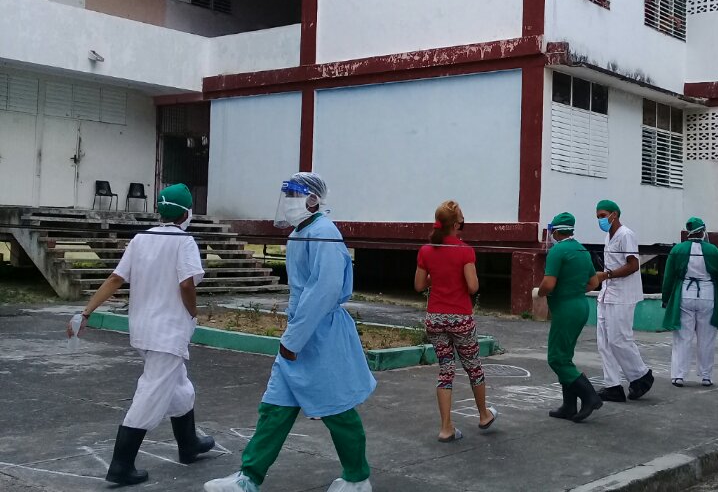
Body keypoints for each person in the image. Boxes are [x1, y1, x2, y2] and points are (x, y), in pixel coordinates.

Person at [205, 173, 375, 492]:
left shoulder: (324, 233)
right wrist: (293, 337)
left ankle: (357, 477)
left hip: (320, 336)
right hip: (300, 331)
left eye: (294, 196)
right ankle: (248, 478)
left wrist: (293, 339)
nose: (289, 204)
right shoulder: (302, 232)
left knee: (337, 410)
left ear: (313, 200)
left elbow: (323, 291)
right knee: (274, 409)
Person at [67, 183, 214, 485]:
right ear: (187, 212)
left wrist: (86, 311)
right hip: (168, 332)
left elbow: (116, 277)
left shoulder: (141, 239)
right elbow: (187, 284)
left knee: (180, 386)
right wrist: (192, 313)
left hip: (144, 329)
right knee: (151, 393)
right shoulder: (184, 242)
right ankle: (121, 465)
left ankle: (189, 444)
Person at [413, 200, 496, 442]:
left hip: (435, 318)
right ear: (458, 223)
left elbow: (419, 285)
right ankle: (483, 414)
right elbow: (472, 287)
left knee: (446, 370)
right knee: (473, 367)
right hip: (460, 318)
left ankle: (446, 427)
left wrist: (435, 278)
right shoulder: (464, 250)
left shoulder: (426, 251)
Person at [536, 212, 604, 422]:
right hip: (581, 306)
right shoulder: (582, 250)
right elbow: (593, 283)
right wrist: (573, 289)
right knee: (565, 356)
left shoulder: (558, 251)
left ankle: (589, 396)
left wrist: (539, 293)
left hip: (566, 309)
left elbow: (548, 284)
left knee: (556, 358)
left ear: (556, 230)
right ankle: (568, 406)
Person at [594, 199, 654, 402]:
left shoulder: (626, 235)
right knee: (604, 342)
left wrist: (606, 275)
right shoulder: (607, 237)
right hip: (607, 294)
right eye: (598, 217)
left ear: (614, 214)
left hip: (622, 295)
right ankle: (612, 385)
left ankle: (641, 376)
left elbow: (633, 265)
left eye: (603, 216)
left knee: (619, 339)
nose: (601, 220)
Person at [661, 217, 718, 387]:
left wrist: (666, 298)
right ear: (703, 231)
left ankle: (679, 375)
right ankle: (706, 376)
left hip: (684, 294)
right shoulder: (713, 250)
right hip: (708, 295)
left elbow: (668, 277)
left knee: (682, 337)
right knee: (707, 339)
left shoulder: (677, 249)